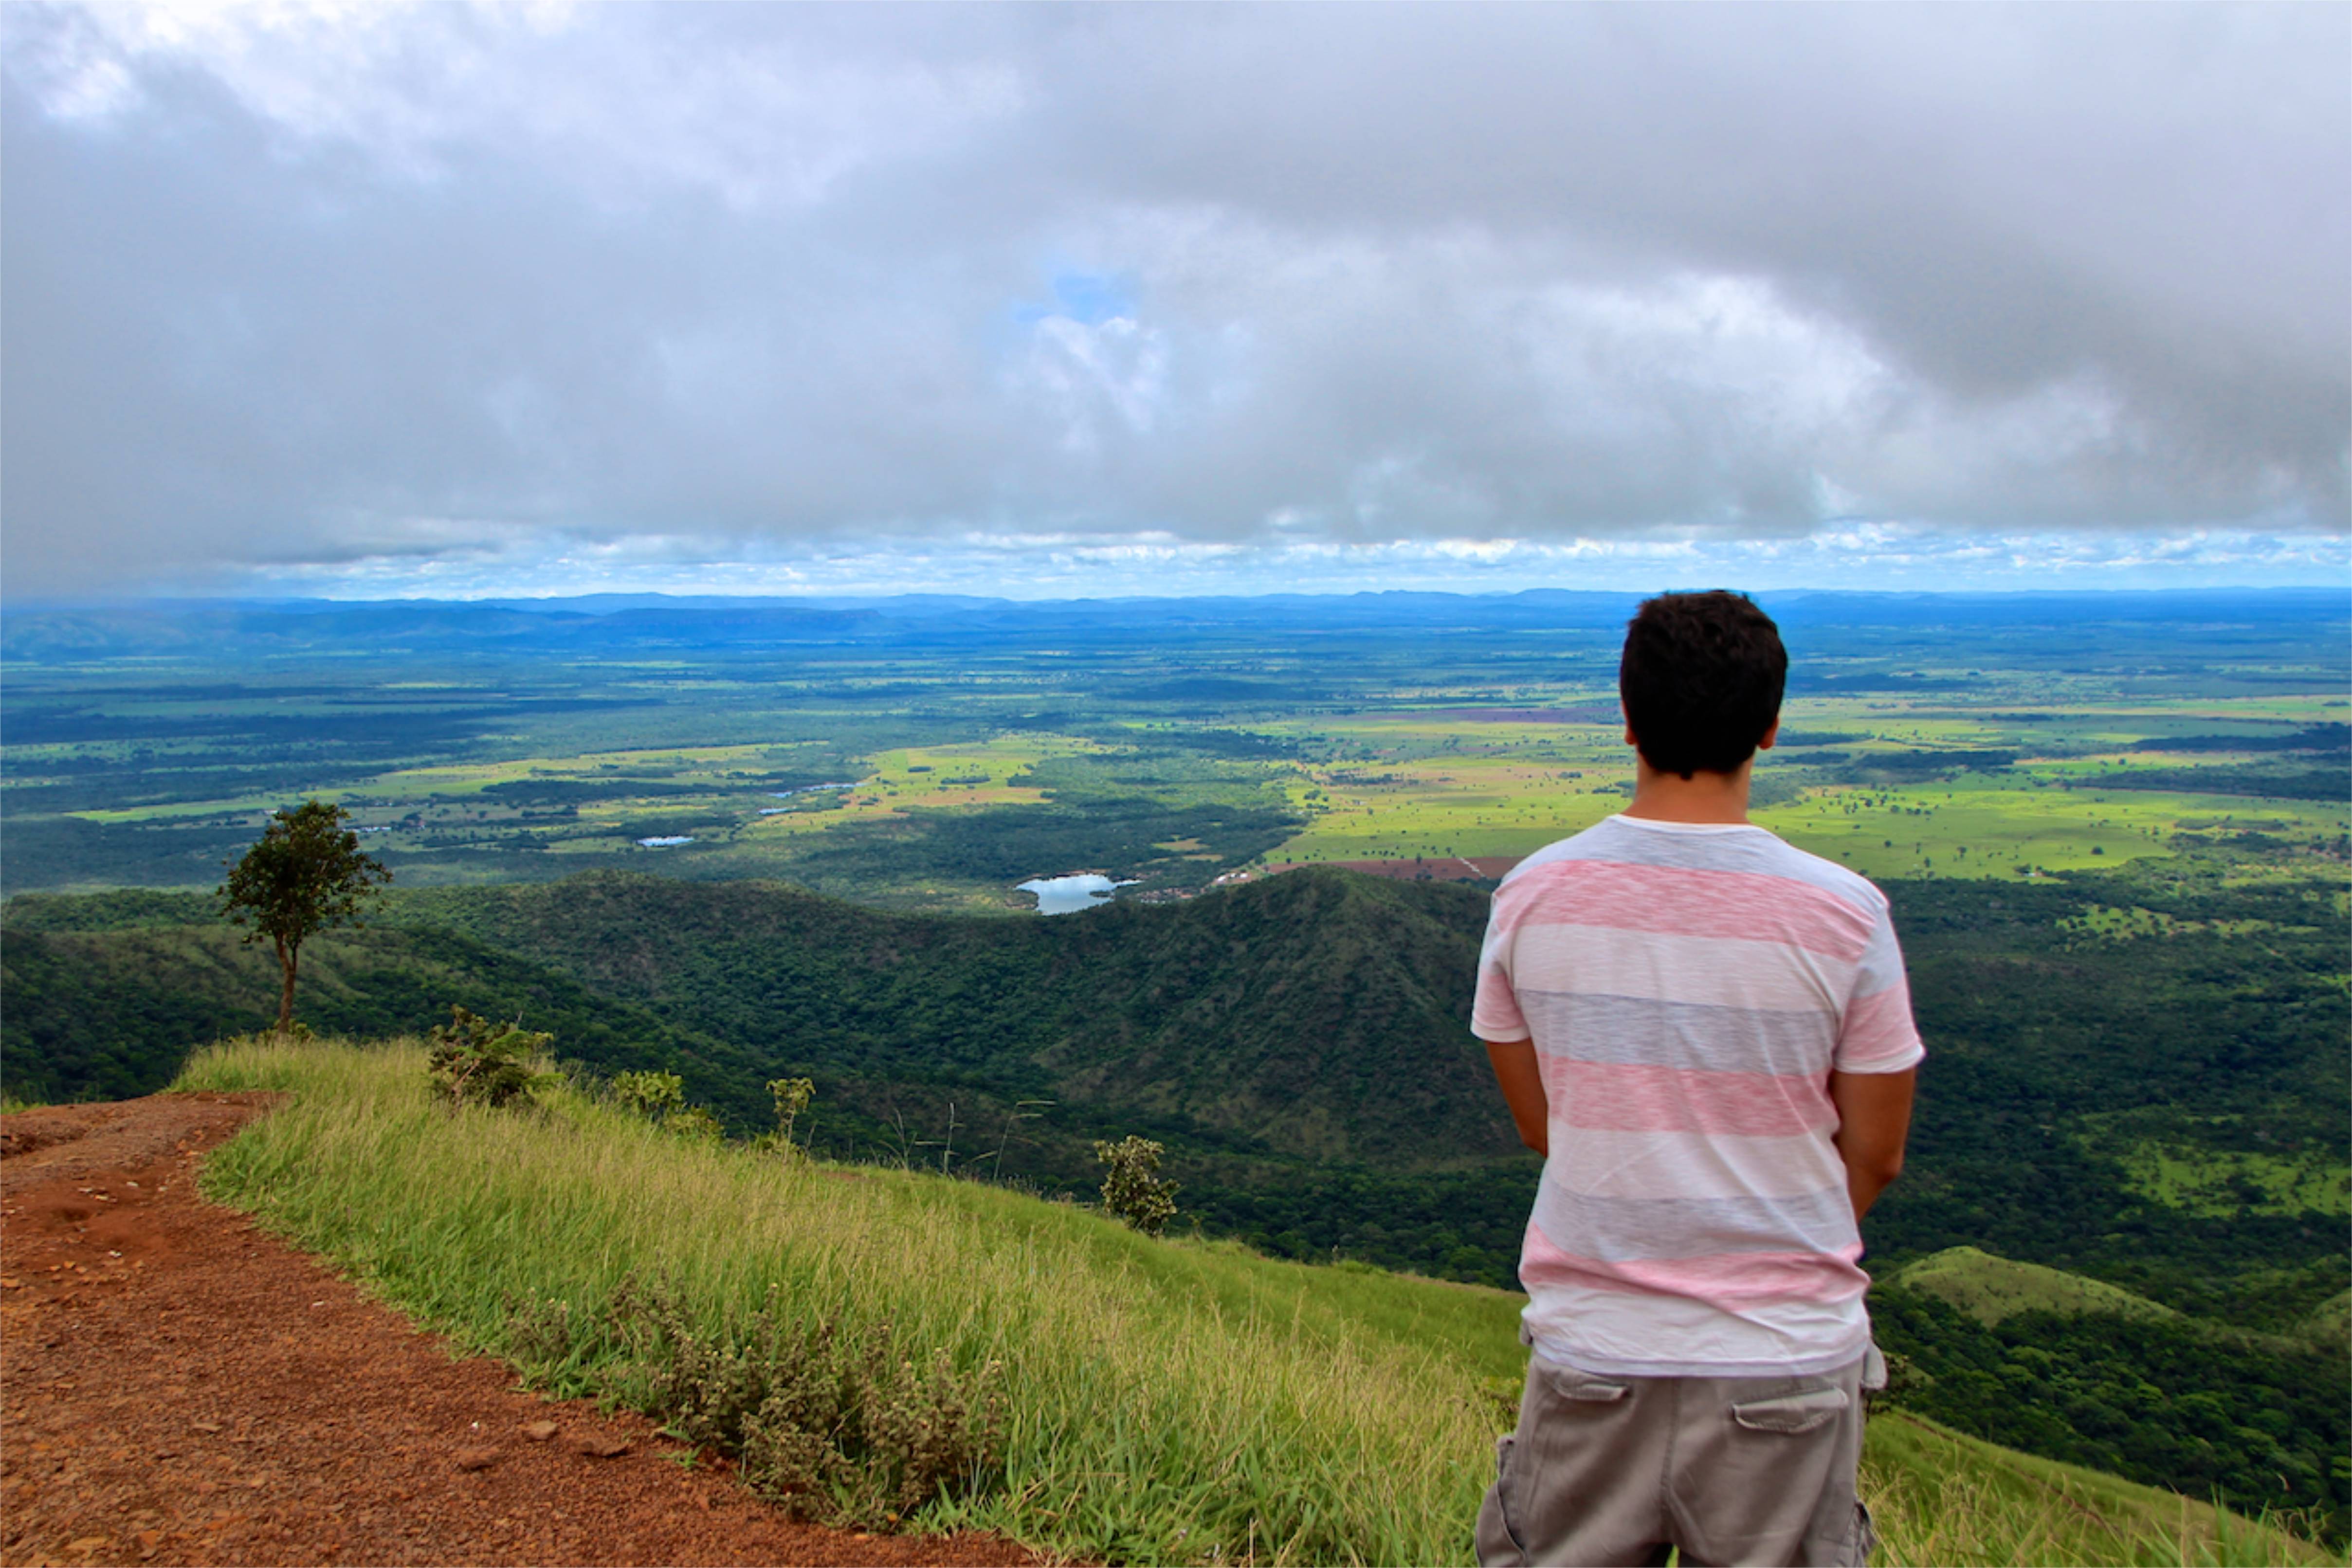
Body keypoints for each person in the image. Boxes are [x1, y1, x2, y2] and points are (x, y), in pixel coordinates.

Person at [1472, 590, 1922, 1568]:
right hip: (1785, 1361)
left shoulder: (1531, 896)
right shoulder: (1845, 915)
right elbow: (1875, 1153)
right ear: (1767, 728)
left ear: (1626, 721)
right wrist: (1766, 1215)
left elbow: (1545, 1126)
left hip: (1594, 1350)